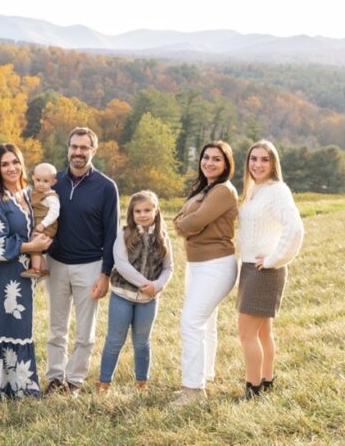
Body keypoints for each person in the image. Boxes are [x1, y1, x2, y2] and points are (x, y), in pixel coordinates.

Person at [0, 144, 52, 399]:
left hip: (25, 273)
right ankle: (1, 387)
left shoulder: (28, 194)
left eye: (15, 162)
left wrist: (41, 249)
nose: (12, 168)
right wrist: (31, 246)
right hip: (4, 274)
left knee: (21, 326)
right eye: (5, 164)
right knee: (8, 326)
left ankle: (20, 383)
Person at [45, 127, 119, 394]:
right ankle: (54, 378)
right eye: (74, 147)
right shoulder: (54, 182)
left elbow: (112, 233)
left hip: (90, 265)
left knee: (85, 331)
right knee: (56, 327)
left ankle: (74, 381)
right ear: (68, 149)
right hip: (56, 263)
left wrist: (105, 272)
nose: (78, 152)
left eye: (84, 147)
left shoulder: (106, 187)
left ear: (93, 151)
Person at [172, 140, 240, 403]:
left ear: (226, 164)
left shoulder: (223, 191)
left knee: (191, 321)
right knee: (206, 323)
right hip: (196, 265)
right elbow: (182, 219)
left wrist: (185, 224)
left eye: (216, 159)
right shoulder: (204, 189)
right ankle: (205, 375)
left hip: (216, 265)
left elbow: (195, 221)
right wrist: (186, 224)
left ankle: (193, 389)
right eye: (206, 157)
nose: (209, 162)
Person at [236, 140, 305, 400]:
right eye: (254, 159)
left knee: (246, 333)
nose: (258, 164)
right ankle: (266, 380)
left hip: (264, 270)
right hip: (251, 266)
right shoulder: (255, 189)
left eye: (265, 159)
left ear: (273, 163)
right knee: (263, 331)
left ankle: (252, 389)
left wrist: (275, 259)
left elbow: (295, 228)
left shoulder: (277, 190)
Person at [96, 190, 173, 392]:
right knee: (114, 340)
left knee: (142, 342)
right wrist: (144, 283)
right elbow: (121, 264)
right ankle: (104, 383)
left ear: (156, 211)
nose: (142, 214)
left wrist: (157, 286)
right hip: (123, 296)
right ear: (132, 213)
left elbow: (168, 267)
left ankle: (141, 382)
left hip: (149, 299)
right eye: (138, 211)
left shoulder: (163, 237)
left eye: (147, 210)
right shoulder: (124, 235)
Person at [21, 162, 60, 278]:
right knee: (36, 243)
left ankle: (36, 269)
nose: (41, 184)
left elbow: (54, 213)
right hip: (39, 224)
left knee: (35, 243)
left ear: (53, 182)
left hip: (47, 226)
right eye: (38, 180)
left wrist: (43, 224)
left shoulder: (51, 196)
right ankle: (43, 269)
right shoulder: (34, 192)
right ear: (33, 177)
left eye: (45, 181)